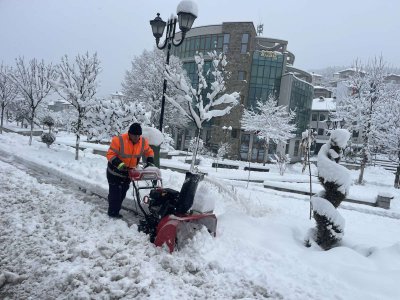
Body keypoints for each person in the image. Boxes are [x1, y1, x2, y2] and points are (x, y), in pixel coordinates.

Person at [106, 123, 154, 218]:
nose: (136, 137)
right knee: (115, 194)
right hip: (114, 172)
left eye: (138, 135)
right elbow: (110, 154)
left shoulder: (143, 142)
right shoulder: (118, 140)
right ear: (129, 133)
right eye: (134, 135)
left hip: (128, 173)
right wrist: (120, 164)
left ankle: (115, 208)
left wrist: (149, 160)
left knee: (122, 193)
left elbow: (149, 151)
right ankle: (112, 213)